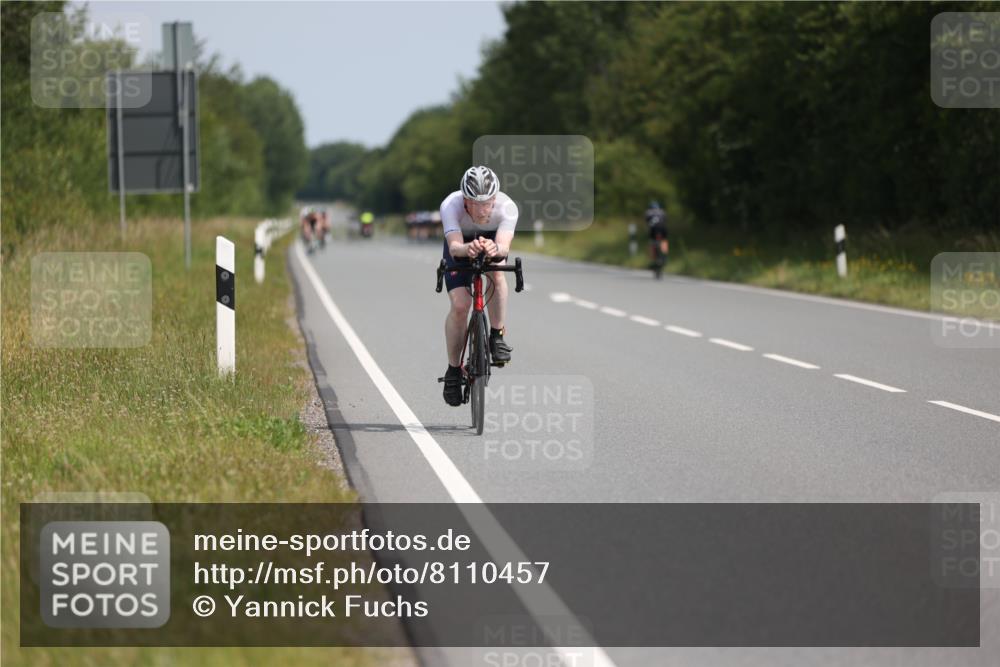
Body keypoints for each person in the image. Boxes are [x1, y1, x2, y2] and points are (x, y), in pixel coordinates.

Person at [440, 166, 518, 407]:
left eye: (487, 202)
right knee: (461, 305)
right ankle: (454, 370)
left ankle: (497, 335)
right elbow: (454, 248)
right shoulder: (450, 205)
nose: (482, 209)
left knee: (497, 272)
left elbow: (504, 246)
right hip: (461, 243)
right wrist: (468, 248)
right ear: (465, 199)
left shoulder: (507, 207)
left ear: (495, 198)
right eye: (475, 203)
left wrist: (495, 249)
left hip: (492, 240)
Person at [645, 200, 669, 266]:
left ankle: (653, 257)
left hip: (654, 229)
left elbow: (647, 222)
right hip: (662, 228)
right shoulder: (662, 211)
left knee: (652, 242)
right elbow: (665, 220)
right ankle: (665, 254)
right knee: (664, 241)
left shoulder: (648, 212)